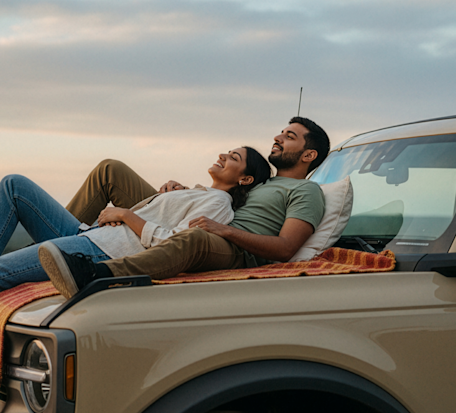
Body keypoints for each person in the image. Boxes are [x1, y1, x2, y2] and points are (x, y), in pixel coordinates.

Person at [0, 146, 271, 412]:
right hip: (91, 236)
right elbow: (161, 219)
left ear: (245, 179)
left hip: (98, 251)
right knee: (13, 186)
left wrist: (127, 213)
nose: (223, 154)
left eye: (233, 157)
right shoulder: (197, 191)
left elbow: (167, 245)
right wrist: (161, 196)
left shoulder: (218, 205)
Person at [40, 116, 329, 298]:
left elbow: (285, 248)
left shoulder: (307, 191)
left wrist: (225, 232)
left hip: (234, 249)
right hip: (207, 219)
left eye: (289, 137)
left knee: (194, 238)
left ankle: (96, 274)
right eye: (281, 132)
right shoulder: (259, 181)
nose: (278, 138)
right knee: (111, 170)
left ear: (309, 154)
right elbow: (221, 196)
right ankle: (62, 243)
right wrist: (180, 193)